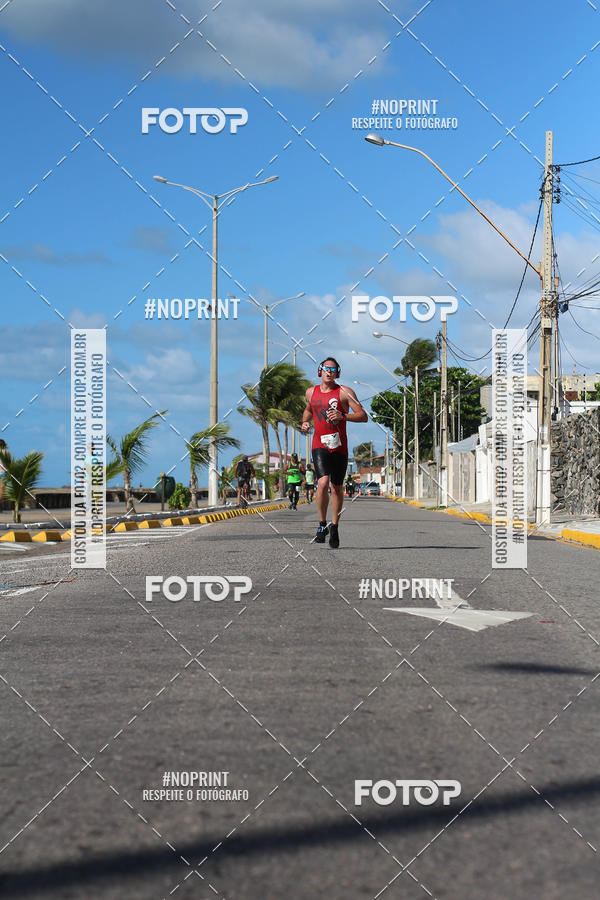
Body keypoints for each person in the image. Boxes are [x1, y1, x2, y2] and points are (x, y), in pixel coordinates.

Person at [301, 357, 367, 548]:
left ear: (338, 373)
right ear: (319, 371)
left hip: (339, 447)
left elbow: (363, 416)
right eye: (325, 368)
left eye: (333, 369)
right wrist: (305, 422)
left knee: (337, 488)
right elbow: (308, 411)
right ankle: (322, 524)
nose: (329, 371)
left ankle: (335, 526)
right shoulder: (310, 392)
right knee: (322, 483)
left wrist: (343, 416)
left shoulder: (345, 392)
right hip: (319, 445)